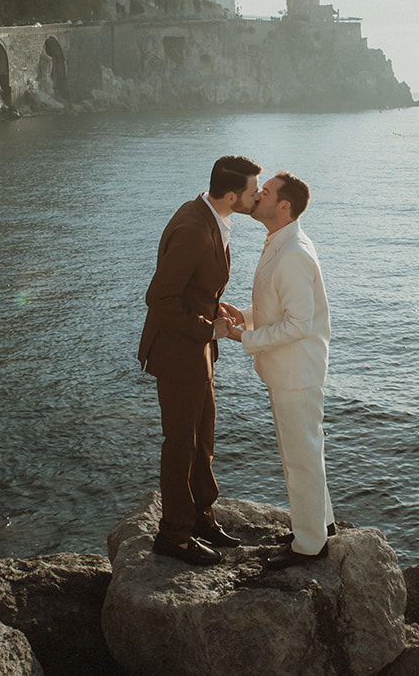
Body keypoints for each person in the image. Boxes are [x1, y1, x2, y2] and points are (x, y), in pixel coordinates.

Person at [138, 154, 261, 566]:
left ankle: (200, 517)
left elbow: (192, 288)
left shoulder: (210, 217)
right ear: (232, 195)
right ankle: (173, 535)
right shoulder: (193, 228)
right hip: (177, 351)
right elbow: (160, 299)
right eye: (252, 191)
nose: (256, 196)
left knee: (202, 439)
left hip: (196, 350)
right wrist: (210, 328)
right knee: (180, 444)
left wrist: (216, 306)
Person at [218, 171, 335, 569]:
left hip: (297, 373)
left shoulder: (294, 253)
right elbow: (280, 309)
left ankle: (309, 545)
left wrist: (237, 336)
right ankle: (321, 526)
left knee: (300, 457)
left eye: (265, 192)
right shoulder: (283, 243)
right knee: (304, 451)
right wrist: (246, 317)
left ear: (283, 206)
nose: (258, 194)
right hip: (291, 372)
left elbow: (299, 324)